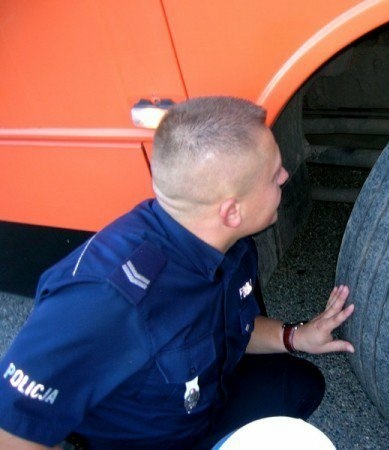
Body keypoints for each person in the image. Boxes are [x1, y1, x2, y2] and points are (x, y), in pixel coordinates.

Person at [0, 97, 355, 449]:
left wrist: (296, 336)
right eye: (273, 174)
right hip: (145, 441)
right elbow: (11, 432)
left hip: (203, 402)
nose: (284, 176)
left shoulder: (224, 239)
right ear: (232, 211)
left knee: (299, 385)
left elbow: (232, 326)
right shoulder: (105, 298)